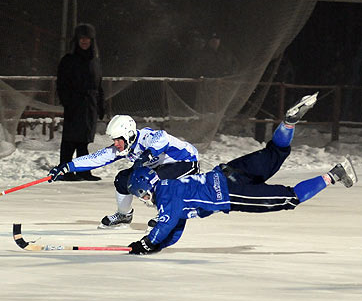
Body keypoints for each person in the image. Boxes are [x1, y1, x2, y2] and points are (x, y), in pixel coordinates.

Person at [126, 92, 358, 254]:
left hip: (229, 192)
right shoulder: (172, 188)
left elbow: (164, 225)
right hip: (229, 171)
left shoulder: (166, 198)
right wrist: (159, 246)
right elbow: (175, 228)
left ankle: (336, 174)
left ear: (146, 188)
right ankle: (288, 123)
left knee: (290, 198)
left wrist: (147, 243)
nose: (145, 200)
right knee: (276, 151)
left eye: (143, 195)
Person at [49, 114, 200, 228]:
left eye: (118, 139)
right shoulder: (124, 146)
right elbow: (96, 158)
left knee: (148, 179)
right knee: (122, 179)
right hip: (160, 167)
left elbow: (163, 138)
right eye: (113, 140)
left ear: (128, 134)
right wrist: (66, 166)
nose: (115, 143)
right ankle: (124, 215)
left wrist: (148, 153)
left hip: (185, 163)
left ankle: (168, 215)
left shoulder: (146, 137)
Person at [55, 23, 104, 181]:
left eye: (87, 38)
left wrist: (100, 104)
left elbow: (98, 85)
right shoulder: (68, 60)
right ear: (76, 40)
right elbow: (61, 84)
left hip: (90, 105)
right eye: (81, 38)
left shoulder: (94, 61)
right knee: (70, 140)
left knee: (84, 141)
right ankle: (65, 170)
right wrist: (67, 102)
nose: (84, 41)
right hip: (74, 104)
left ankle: (83, 170)